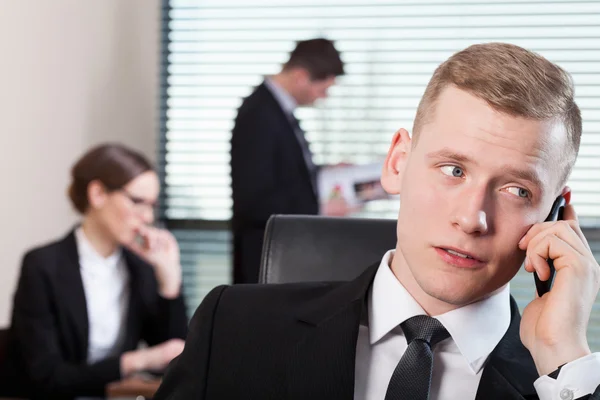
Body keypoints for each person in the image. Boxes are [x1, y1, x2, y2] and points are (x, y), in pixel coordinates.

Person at [155, 43, 600, 400]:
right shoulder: (233, 329)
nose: (471, 218)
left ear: (555, 216)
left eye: (517, 191)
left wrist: (563, 360)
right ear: (397, 163)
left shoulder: (560, 383)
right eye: (453, 170)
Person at [3, 144, 188, 399]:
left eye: (152, 205)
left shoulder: (140, 267)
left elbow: (174, 361)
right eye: (137, 202)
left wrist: (170, 280)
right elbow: (45, 376)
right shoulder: (42, 265)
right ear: (98, 193)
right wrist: (135, 361)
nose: (147, 217)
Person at [230, 38, 346, 284]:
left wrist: (323, 173)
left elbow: (285, 176)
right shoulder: (258, 114)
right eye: (323, 89)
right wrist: (319, 207)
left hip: (281, 254)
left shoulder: (279, 112)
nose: (322, 97)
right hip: (263, 261)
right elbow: (254, 200)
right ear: (302, 76)